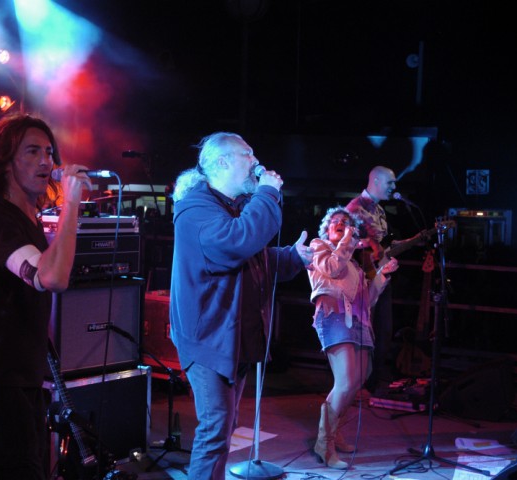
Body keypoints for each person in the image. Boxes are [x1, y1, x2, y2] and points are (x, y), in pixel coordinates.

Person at [169, 132, 313, 479]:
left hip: (233, 336)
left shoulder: (228, 207)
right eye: (246, 155)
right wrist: (267, 193)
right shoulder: (195, 210)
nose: (255, 162)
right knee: (215, 428)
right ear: (221, 163)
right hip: (207, 338)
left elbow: (251, 258)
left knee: (225, 425)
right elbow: (235, 243)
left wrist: (295, 256)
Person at [0, 114, 91, 479]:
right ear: (5, 162)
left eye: (49, 152)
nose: (46, 161)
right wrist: (71, 206)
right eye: (32, 151)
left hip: (24, 377)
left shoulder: (27, 220)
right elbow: (51, 277)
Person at [307, 206, 398, 469]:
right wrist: (348, 240)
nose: (340, 223)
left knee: (359, 377)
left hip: (358, 322)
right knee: (345, 380)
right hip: (334, 316)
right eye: (335, 220)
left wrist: (382, 275)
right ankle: (324, 444)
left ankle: (334, 433)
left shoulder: (355, 264)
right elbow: (332, 269)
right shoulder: (319, 247)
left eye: (346, 222)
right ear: (327, 228)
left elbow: (367, 300)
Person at [346, 165, 398, 389]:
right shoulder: (355, 208)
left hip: (381, 276)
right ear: (376, 181)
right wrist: (368, 245)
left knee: (384, 330)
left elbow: (382, 246)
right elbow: (344, 244)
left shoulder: (379, 210)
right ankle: (363, 380)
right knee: (365, 330)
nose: (394, 188)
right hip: (363, 280)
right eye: (390, 183)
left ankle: (375, 379)